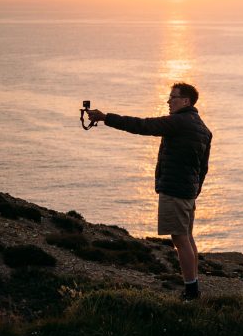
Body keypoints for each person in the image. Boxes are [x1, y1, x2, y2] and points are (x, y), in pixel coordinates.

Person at [86, 82, 212, 300]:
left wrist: (106, 117)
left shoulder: (179, 122)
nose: (168, 101)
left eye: (173, 97)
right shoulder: (203, 128)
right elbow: (204, 167)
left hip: (175, 190)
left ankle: (191, 293)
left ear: (186, 101)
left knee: (180, 240)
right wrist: (194, 190)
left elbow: (143, 126)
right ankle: (193, 288)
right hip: (187, 192)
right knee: (187, 239)